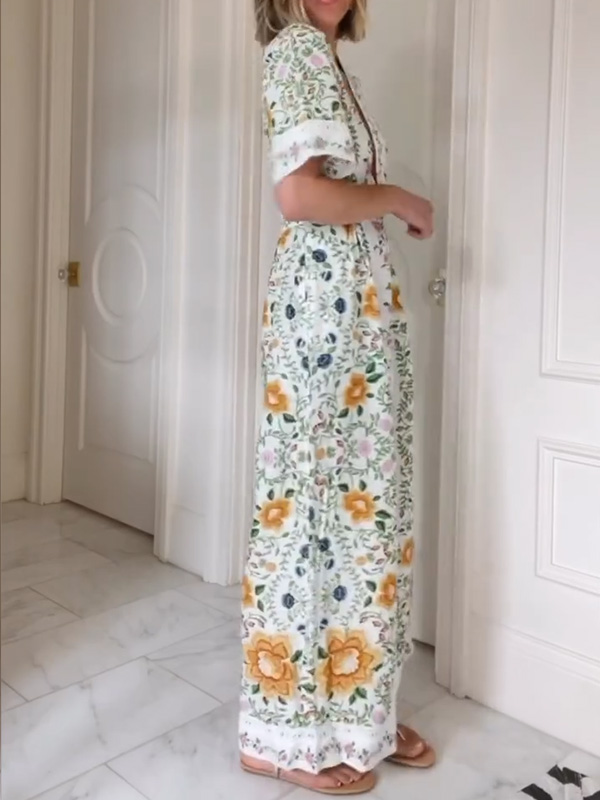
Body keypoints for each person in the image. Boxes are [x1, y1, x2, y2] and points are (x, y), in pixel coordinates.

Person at [239, 0, 435, 794]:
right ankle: (281, 735)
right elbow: (299, 197)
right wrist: (395, 197)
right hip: (324, 317)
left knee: (359, 517)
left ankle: (359, 719)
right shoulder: (295, 49)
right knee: (314, 515)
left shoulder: (325, 58)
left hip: (352, 317)